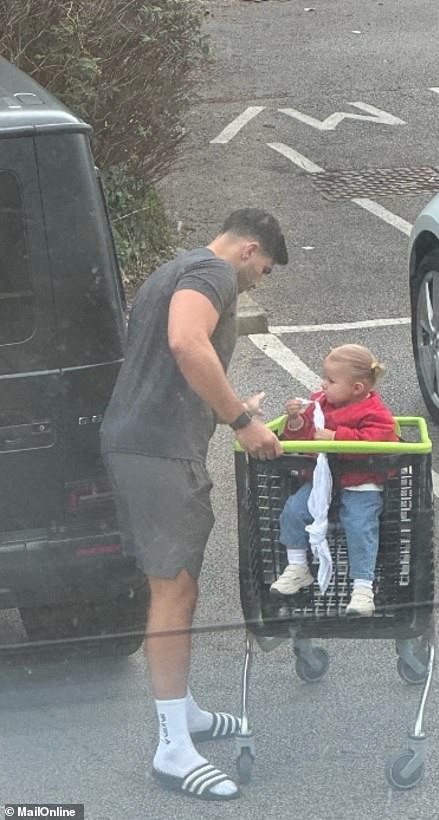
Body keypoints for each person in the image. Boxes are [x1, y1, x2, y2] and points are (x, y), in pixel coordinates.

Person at [100, 208, 286, 802]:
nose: (257, 281)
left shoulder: (176, 267)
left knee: (179, 585)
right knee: (172, 589)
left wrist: (231, 403)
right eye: (263, 270)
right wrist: (241, 420)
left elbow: (168, 362)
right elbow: (185, 341)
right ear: (249, 248)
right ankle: (172, 749)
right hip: (158, 452)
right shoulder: (214, 273)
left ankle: (184, 714)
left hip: (145, 443)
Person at [271, 344, 398, 616]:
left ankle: (363, 586)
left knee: (360, 525)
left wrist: (337, 438)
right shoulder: (319, 404)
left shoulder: (375, 413)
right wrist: (294, 421)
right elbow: (302, 438)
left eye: (331, 381)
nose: (323, 384)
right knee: (294, 510)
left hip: (361, 481)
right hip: (321, 482)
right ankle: (298, 567)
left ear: (357, 388)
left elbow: (377, 440)